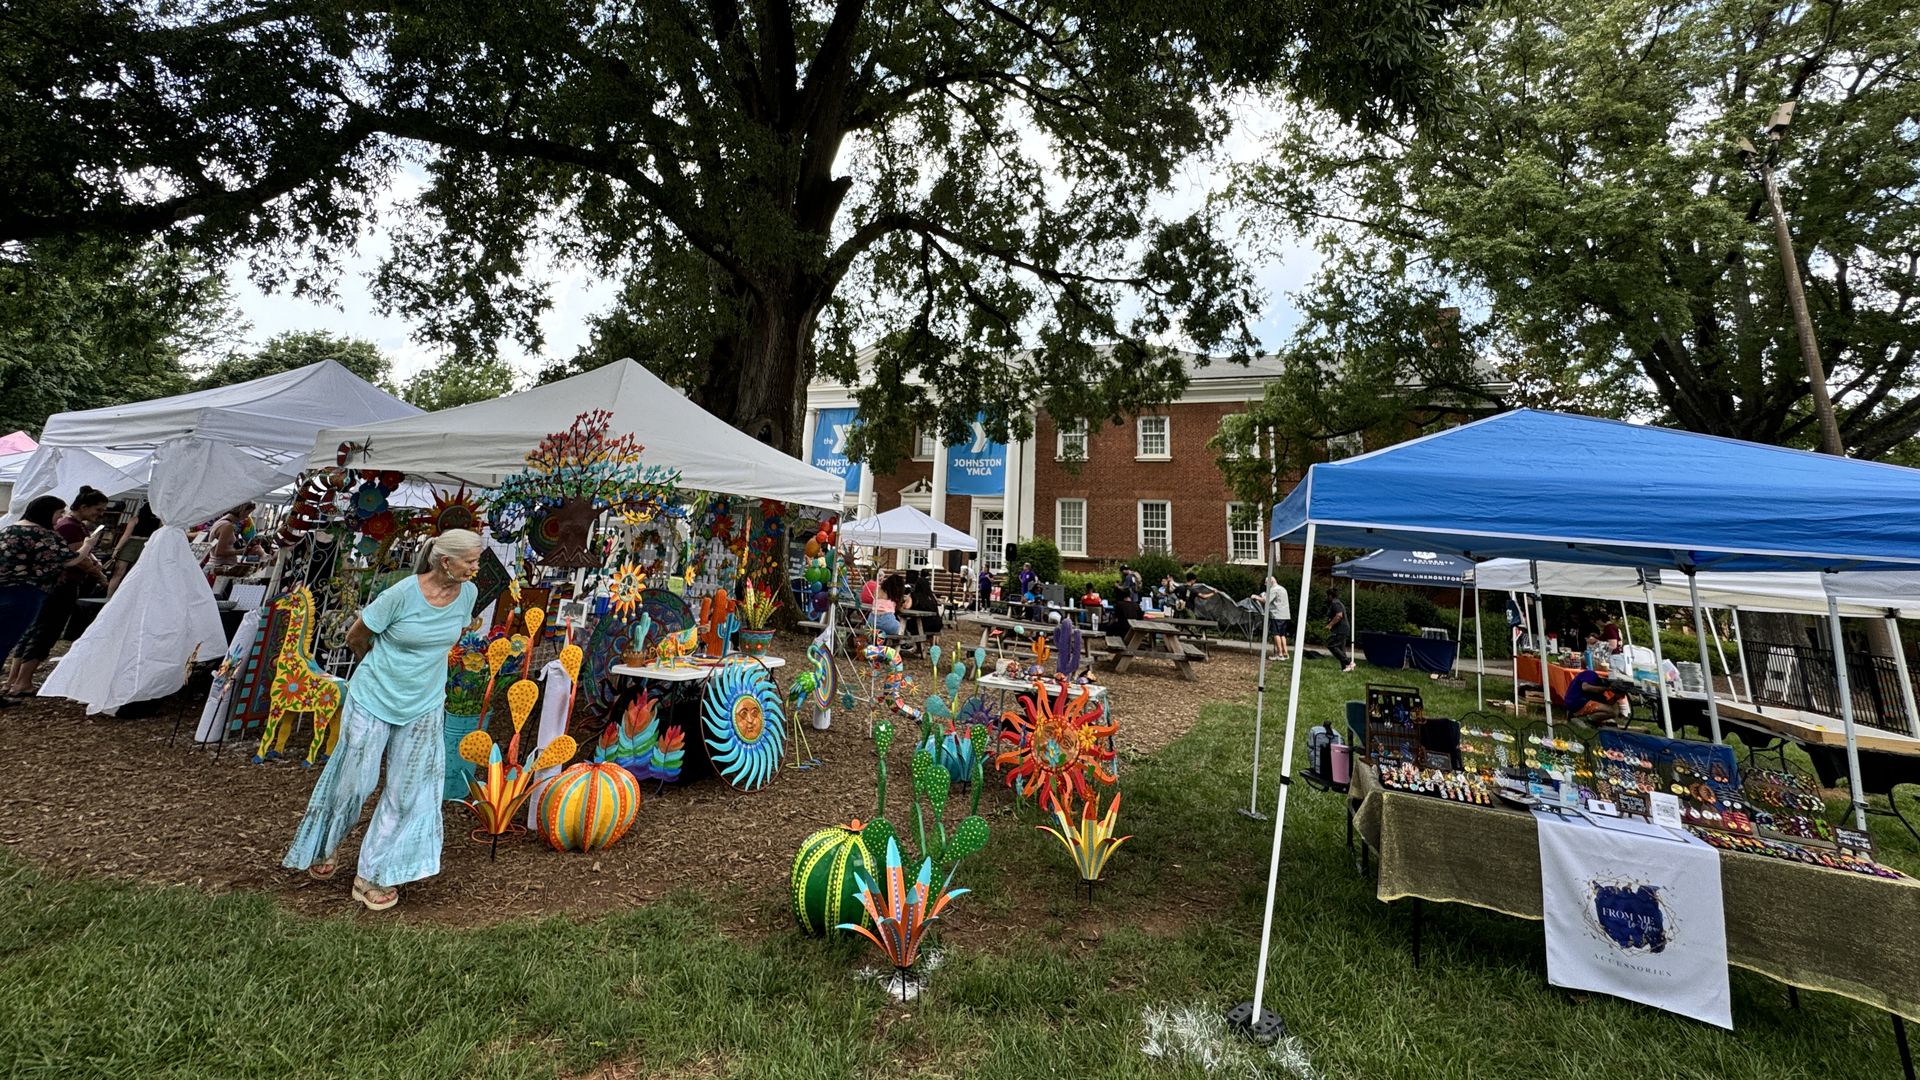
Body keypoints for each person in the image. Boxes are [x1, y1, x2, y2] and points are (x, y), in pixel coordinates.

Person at [283, 529, 483, 911]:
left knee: (408, 791)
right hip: (373, 697)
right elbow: (356, 637)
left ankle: (374, 873)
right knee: (354, 782)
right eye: (470, 561)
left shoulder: (467, 595)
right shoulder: (401, 594)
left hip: (423, 704)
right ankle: (326, 845)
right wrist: (382, 670)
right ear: (446, 562)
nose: (476, 568)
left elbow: (450, 638)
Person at [0, 496, 105, 707]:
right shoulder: (43, 535)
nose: (59, 518)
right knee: (9, 640)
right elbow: (72, 559)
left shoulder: (8, 529)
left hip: (4, 590)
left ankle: (12, 681)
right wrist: (88, 545)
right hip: (26, 593)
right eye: (58, 513)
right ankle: (18, 682)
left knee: (10, 639)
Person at [107, 504, 163, 596]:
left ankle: (109, 596)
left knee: (119, 572)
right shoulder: (158, 521)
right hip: (146, 545)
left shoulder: (135, 519)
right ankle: (123, 596)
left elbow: (126, 535)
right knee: (133, 573)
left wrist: (116, 549)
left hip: (132, 543)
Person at [1260, 576, 1292, 661]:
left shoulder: (1274, 590)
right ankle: (1285, 653)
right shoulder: (1283, 589)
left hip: (1277, 615)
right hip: (1285, 615)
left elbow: (1266, 600)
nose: (1265, 585)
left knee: (1276, 634)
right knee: (1282, 634)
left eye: (1266, 583)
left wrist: (1256, 597)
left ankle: (1279, 654)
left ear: (1271, 582)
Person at [1327, 593, 1353, 672]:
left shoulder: (1335, 604)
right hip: (1344, 629)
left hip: (1340, 629)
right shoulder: (1338, 603)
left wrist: (1330, 625)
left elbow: (1339, 615)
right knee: (1341, 648)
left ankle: (1348, 663)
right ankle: (1345, 667)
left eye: (1327, 596)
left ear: (1330, 596)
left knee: (1332, 645)